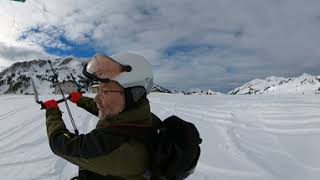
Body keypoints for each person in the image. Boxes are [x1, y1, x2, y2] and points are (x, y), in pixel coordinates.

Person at [43, 53, 154, 180]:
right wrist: (80, 99)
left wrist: (52, 112)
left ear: (134, 94)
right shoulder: (139, 118)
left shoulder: (116, 148)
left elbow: (61, 144)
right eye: (98, 90)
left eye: (105, 91)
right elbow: (103, 109)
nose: (96, 98)